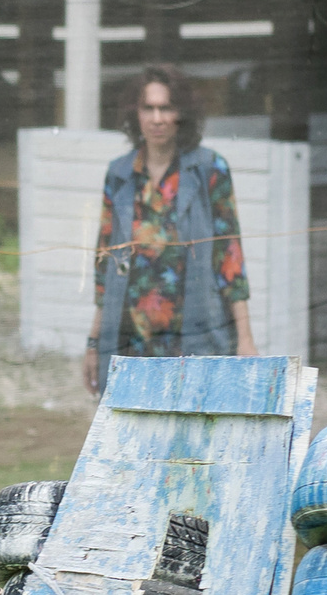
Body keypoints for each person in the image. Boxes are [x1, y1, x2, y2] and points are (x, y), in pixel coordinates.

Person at [83, 65, 255, 396]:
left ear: (182, 114)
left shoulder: (209, 171)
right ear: (136, 114)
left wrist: (245, 339)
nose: (157, 118)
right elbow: (105, 266)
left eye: (167, 108)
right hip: (131, 343)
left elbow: (230, 258)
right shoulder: (119, 175)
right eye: (149, 108)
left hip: (194, 337)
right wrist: (94, 342)